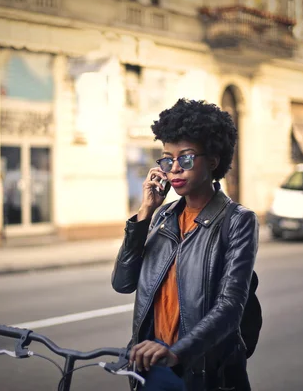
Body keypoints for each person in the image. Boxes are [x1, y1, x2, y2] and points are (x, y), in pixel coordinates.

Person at [112, 99, 259, 391]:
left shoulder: (237, 221)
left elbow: (230, 307)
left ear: (214, 160)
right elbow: (123, 282)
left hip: (201, 369)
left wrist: (178, 352)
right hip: (151, 365)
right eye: (167, 159)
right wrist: (145, 213)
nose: (175, 169)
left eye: (187, 159)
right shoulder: (163, 217)